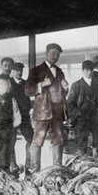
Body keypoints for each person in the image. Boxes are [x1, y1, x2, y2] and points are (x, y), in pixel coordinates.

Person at [25, 43, 69, 171]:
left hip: (57, 112)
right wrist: (41, 84)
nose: (55, 56)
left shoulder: (60, 71)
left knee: (58, 141)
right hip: (43, 112)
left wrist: (65, 89)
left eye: (58, 54)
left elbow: (61, 92)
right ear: (46, 53)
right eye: (53, 53)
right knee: (37, 141)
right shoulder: (36, 70)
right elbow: (28, 90)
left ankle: (57, 170)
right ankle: (35, 172)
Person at [67, 60, 98, 156]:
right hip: (82, 119)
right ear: (83, 70)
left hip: (95, 119)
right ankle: (82, 165)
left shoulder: (97, 85)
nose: (89, 72)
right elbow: (70, 103)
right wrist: (78, 114)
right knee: (82, 145)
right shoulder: (76, 85)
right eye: (87, 70)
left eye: (91, 70)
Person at [10, 62, 33, 174]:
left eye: (21, 70)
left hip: (24, 116)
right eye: (17, 70)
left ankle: (29, 165)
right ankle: (12, 164)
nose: (19, 72)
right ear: (12, 71)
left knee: (31, 139)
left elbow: (29, 99)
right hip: (12, 116)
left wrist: (29, 109)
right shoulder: (8, 83)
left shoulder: (26, 83)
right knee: (11, 140)